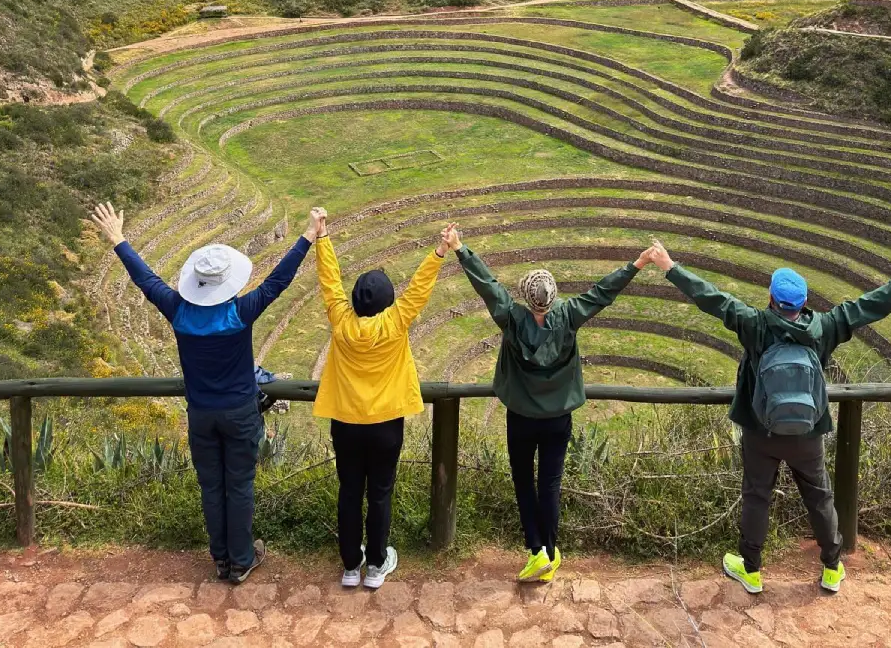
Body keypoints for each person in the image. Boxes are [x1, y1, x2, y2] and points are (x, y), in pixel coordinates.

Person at [640, 239, 891, 596]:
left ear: (771, 299)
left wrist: (670, 267)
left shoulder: (753, 324)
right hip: (808, 432)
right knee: (819, 497)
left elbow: (712, 299)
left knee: (756, 496)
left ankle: (750, 570)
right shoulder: (825, 327)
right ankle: (832, 567)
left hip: (760, 431)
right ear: (803, 303)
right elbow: (866, 308)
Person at [89, 201, 327, 583]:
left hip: (200, 413)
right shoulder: (239, 312)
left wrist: (118, 239)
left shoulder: (178, 311)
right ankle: (242, 559)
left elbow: (146, 280)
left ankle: (221, 559)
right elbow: (277, 282)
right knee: (240, 485)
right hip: (239, 412)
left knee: (212, 486)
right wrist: (309, 235)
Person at [450, 224, 649, 583]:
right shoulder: (569, 315)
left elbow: (488, 287)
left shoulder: (511, 319)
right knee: (551, 483)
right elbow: (602, 293)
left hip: (522, 416)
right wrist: (635, 264)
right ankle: (551, 554)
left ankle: (537, 551)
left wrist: (461, 249)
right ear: (553, 296)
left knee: (524, 481)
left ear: (526, 298)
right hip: (559, 417)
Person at [312, 216, 454, 590]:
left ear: (355, 301)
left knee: (348, 491)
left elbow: (330, 282)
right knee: (380, 494)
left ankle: (349, 565)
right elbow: (419, 290)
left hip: (345, 421)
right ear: (389, 301)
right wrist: (440, 251)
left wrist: (323, 235)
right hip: (386, 424)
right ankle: (375, 566)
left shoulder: (341, 321)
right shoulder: (396, 322)